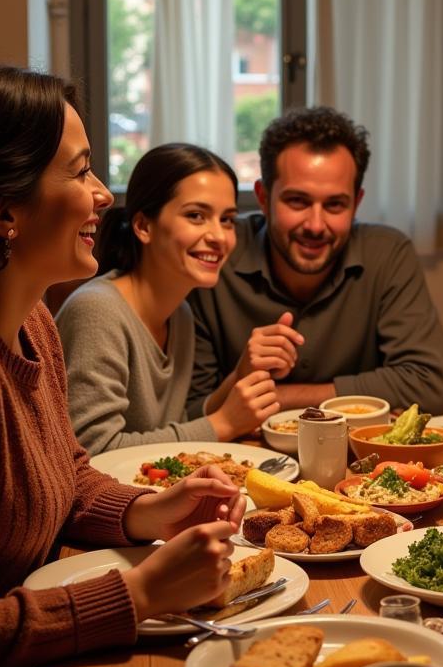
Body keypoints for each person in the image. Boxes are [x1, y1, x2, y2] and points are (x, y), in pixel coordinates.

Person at [0, 62, 249, 667]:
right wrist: (139, 593)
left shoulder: (31, 319)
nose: (102, 197)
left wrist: (146, 510)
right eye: (82, 172)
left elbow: (66, 471)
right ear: (2, 212)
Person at [188, 106, 443, 417]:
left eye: (335, 204)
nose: (315, 225)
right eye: (297, 201)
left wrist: (279, 397)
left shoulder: (388, 253)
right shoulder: (216, 254)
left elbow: (428, 385)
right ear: (263, 197)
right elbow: (191, 411)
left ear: (357, 204)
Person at [56, 144, 279, 455]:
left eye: (227, 219)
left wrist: (240, 378)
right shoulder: (98, 310)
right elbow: (94, 448)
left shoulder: (181, 315)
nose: (218, 236)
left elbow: (167, 431)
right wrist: (223, 424)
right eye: (196, 216)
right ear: (144, 226)